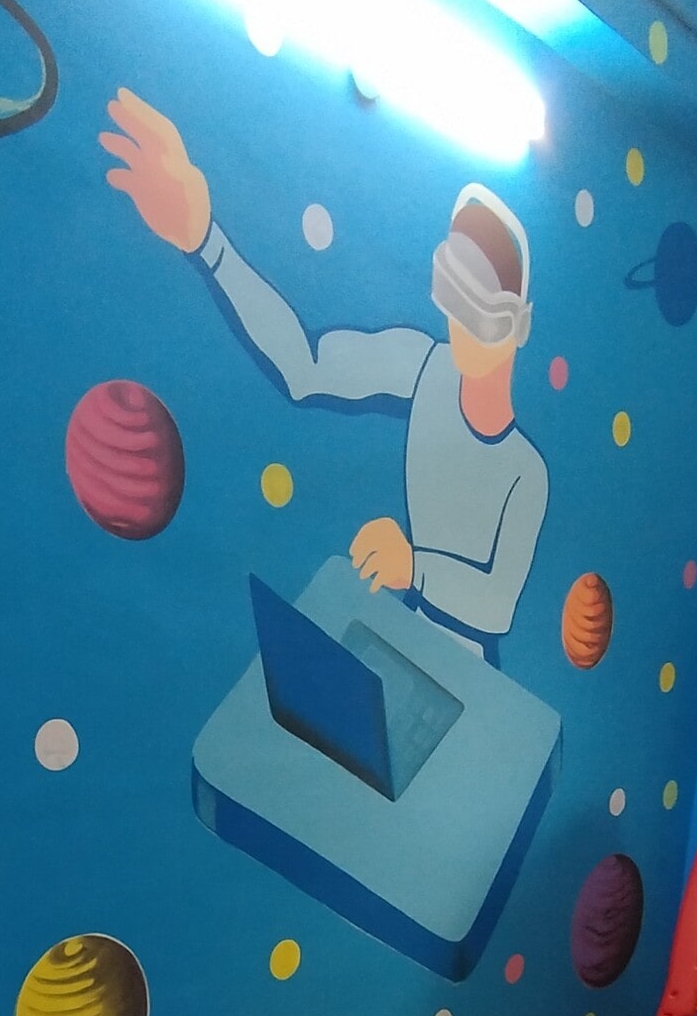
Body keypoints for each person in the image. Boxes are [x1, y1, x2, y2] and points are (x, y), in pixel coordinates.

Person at [101, 86, 548, 662]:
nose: (462, 327)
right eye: (451, 295)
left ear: (518, 323)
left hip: (469, 675)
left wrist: (414, 568)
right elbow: (305, 366)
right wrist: (207, 242)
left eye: (482, 312)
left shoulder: (525, 473)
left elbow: (498, 605)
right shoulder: (425, 369)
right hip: (403, 646)